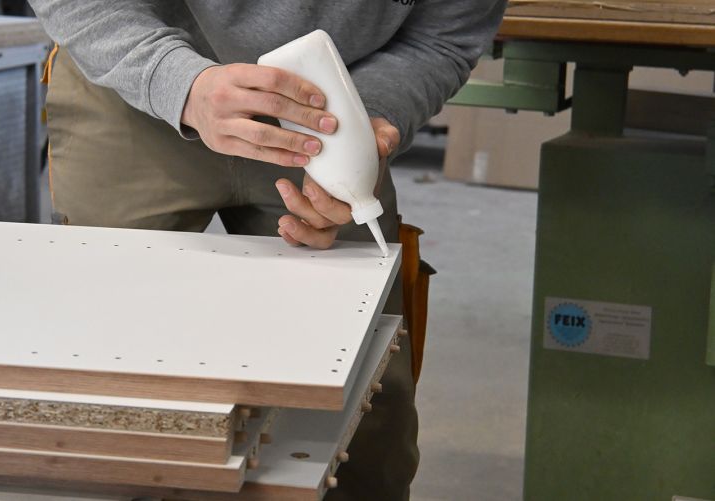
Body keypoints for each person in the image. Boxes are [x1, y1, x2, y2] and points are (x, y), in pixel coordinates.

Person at [28, 2, 505, 499]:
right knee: (106, 381)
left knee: (366, 414)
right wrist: (178, 82)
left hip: (332, 111)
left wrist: (366, 123)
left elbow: (442, 34)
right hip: (133, 74)